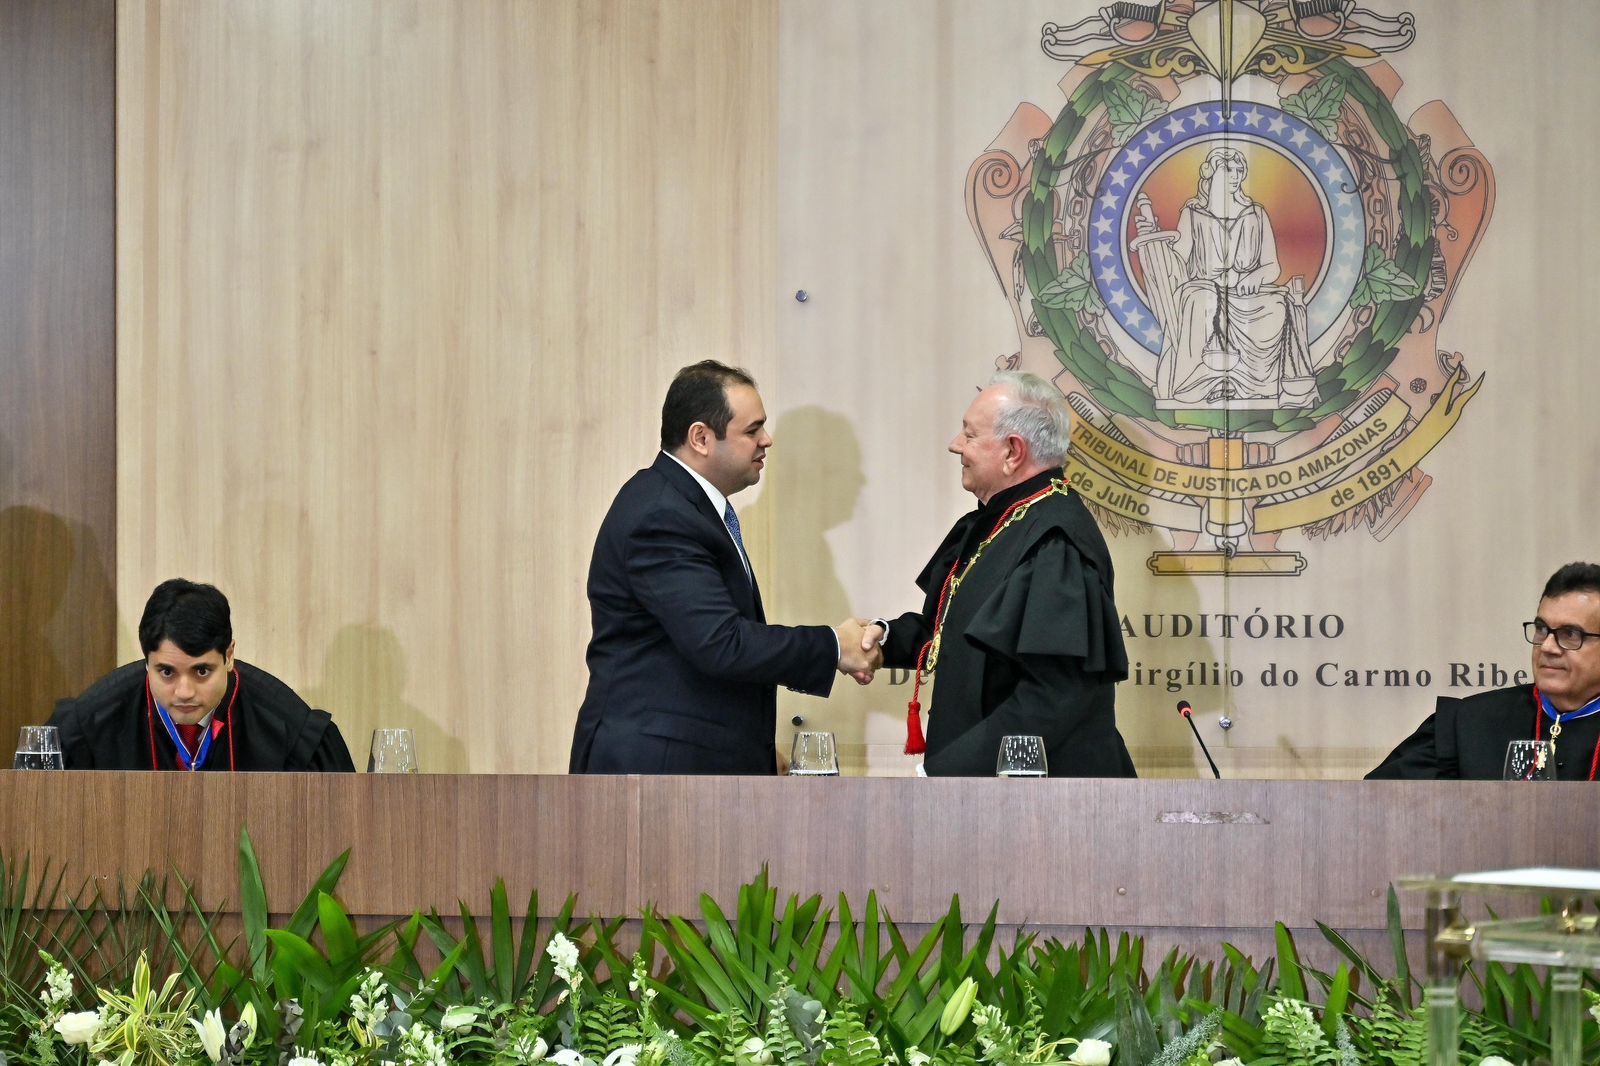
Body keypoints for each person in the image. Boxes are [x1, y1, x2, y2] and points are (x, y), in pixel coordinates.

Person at [569, 360, 878, 775]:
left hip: (684, 768)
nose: (766, 440)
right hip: (654, 775)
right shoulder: (662, 515)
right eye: (752, 430)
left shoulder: (686, 506)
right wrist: (835, 646)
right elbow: (720, 642)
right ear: (700, 437)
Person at [867, 371, 1136, 777]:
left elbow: (1053, 697)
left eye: (969, 435)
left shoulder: (1054, 540)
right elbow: (953, 634)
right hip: (996, 793)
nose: (955, 445)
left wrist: (946, 772)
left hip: (1047, 805)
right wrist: (882, 637)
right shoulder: (1003, 520)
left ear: (1013, 451)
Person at [48, 578, 355, 771]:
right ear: (147, 662)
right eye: (166, 672)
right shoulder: (90, 723)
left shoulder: (291, 730)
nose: (184, 691)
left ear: (229, 656)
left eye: (202, 671)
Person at [1368, 562, 1600, 781]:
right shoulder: (1466, 725)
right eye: (1541, 629)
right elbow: (1377, 803)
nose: (1547, 646)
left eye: (1570, 634)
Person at [1134, 145, 1315, 407]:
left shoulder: (1255, 213)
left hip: (1246, 293)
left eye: (1240, 170)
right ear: (1211, 173)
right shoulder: (1193, 213)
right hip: (1205, 288)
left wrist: (1254, 278)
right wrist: (1153, 239)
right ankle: (1198, 383)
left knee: (1276, 306)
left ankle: (1256, 388)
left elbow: (1272, 267)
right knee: (1201, 298)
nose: (1235, 175)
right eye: (1228, 168)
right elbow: (1178, 260)